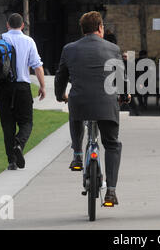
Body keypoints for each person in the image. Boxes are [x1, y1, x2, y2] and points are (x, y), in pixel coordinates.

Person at [54, 11, 124, 205]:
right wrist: (125, 96)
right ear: (100, 27)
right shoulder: (113, 49)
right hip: (106, 104)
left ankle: (77, 154)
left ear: (82, 29)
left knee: (74, 112)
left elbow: (61, 76)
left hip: (80, 102)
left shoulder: (69, 49)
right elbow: (120, 79)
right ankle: (111, 191)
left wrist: (60, 95)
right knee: (111, 144)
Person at [0, 13, 46, 170]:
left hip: (3, 88)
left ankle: (11, 161)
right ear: (22, 25)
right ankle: (19, 143)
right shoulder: (29, 41)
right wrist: (42, 86)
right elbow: (37, 65)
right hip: (22, 87)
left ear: (8, 25)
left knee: (7, 125)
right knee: (26, 122)